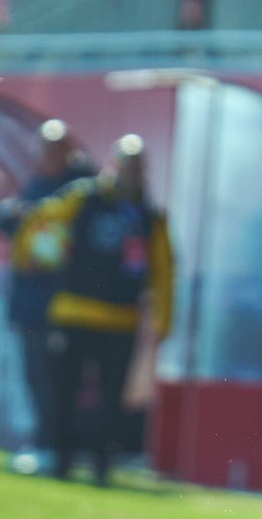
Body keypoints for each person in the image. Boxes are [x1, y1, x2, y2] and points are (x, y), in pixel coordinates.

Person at [16, 136, 173, 486]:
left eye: (138, 166)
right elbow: (43, 219)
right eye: (126, 164)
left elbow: (163, 269)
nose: (132, 172)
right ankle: (62, 459)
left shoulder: (149, 215)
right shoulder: (83, 196)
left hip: (121, 319)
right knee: (63, 390)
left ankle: (102, 465)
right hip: (74, 312)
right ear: (114, 165)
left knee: (111, 398)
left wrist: (163, 319)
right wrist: (32, 256)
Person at [0, 120, 88, 472]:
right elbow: (4, 218)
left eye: (54, 148)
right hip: (29, 301)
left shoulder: (79, 189)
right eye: (42, 147)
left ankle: (55, 447)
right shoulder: (35, 185)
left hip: (61, 304)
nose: (45, 155)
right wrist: (12, 213)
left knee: (55, 379)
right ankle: (45, 443)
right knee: (35, 376)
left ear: (67, 150)